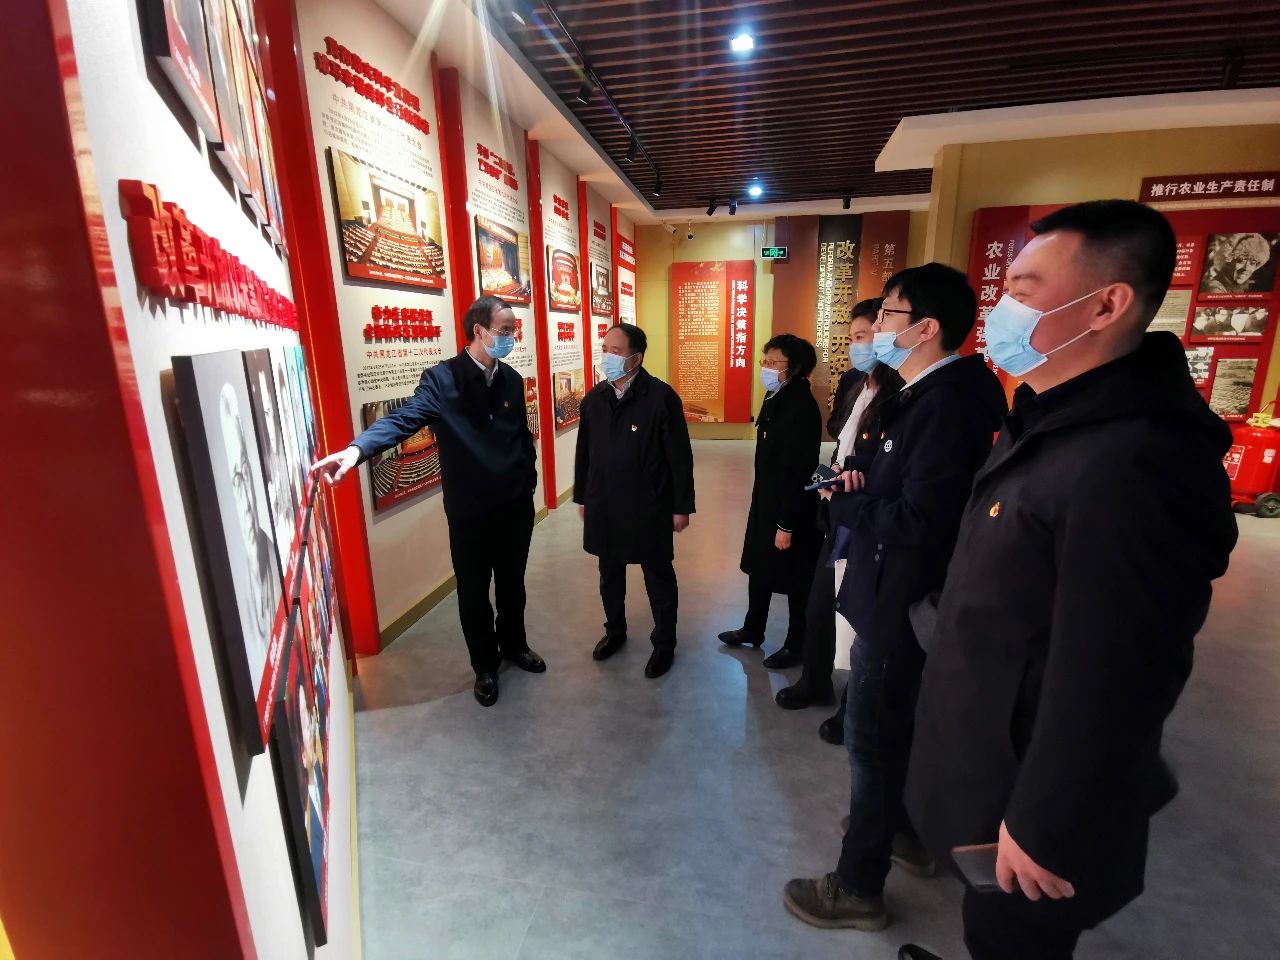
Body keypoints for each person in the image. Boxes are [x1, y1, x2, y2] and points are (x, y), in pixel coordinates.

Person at [897, 200, 1238, 960]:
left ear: (1107, 305)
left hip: (1032, 793)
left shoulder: (1137, 459)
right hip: (988, 748)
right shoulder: (1050, 417)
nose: (1003, 309)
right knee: (986, 924)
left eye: (1024, 289)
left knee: (1015, 937)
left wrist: (1047, 822)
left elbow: (1121, 670)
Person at [783, 264, 1007, 932]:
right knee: (892, 724)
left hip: (902, 598)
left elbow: (921, 518)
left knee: (872, 737)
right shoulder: (923, 392)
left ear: (926, 327)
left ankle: (857, 886)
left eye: (887, 315)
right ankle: (902, 830)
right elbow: (900, 481)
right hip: (889, 588)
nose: (876, 327)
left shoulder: (949, 402)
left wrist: (848, 504)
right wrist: (860, 482)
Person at [309, 296, 544, 708]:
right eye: (504, 330)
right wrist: (356, 450)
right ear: (479, 331)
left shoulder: (510, 378)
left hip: (514, 507)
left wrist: (528, 478)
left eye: (513, 331)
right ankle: (485, 667)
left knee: (512, 585)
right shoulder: (442, 380)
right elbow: (404, 418)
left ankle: (514, 645)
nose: (511, 337)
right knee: (473, 592)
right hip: (471, 513)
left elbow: (520, 435)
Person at [773, 299, 902, 719]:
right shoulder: (855, 381)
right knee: (820, 604)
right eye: (853, 338)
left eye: (865, 336)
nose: (858, 345)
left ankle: (851, 706)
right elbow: (840, 435)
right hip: (837, 505)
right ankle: (814, 681)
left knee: (858, 613)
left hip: (867, 513)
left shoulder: (900, 390)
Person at [574, 323, 695, 679]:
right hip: (604, 503)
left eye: (615, 351)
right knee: (609, 574)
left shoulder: (660, 397)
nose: (607, 357)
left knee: (658, 576)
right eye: (604, 349)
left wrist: (681, 506)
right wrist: (583, 496)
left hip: (649, 505)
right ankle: (615, 630)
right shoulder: (594, 400)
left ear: (636, 358)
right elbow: (584, 453)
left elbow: (679, 458)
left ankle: (664, 643)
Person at [718, 335, 822, 668]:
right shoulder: (776, 395)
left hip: (790, 506)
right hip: (766, 499)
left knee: (795, 578)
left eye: (773, 362)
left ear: (795, 367)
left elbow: (799, 470)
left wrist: (786, 524)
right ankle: (753, 628)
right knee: (759, 567)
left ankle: (796, 643)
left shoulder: (801, 407)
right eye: (765, 360)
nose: (766, 367)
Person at [1202, 232, 1272, 293]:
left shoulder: (1241, 287)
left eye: (1252, 263)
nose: (1246, 268)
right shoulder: (1216, 290)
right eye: (1240, 261)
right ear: (1228, 261)